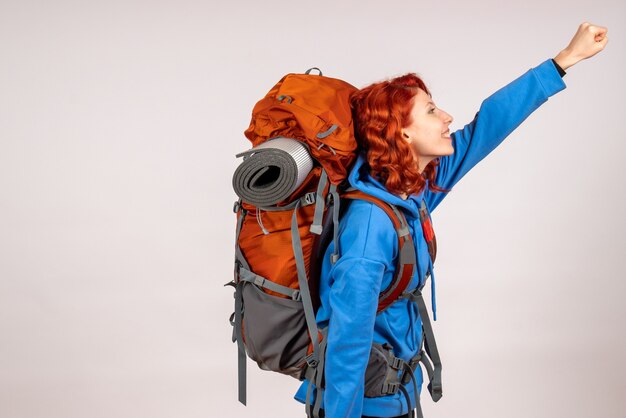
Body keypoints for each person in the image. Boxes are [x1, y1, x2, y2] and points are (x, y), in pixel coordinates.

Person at [294, 22, 608, 418]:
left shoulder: (412, 189)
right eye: (430, 110)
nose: (446, 116)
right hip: (365, 408)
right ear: (402, 134)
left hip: (396, 396)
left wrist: (564, 61)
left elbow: (487, 127)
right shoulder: (370, 228)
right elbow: (346, 345)